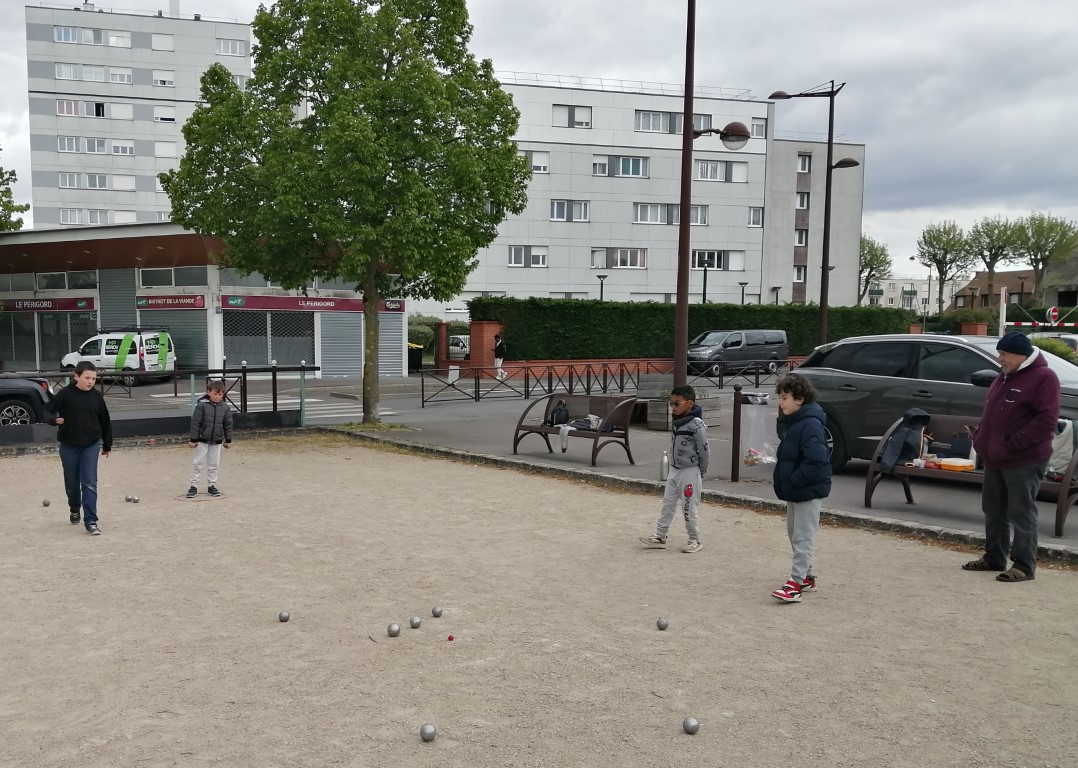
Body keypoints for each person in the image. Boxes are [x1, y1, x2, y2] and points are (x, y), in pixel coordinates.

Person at [963, 331, 1059, 582]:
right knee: (993, 509)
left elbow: (1046, 420)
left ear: (1021, 355)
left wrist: (1013, 444)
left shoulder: (1044, 377)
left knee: (1021, 511)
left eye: (1004, 353)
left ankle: (1024, 565)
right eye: (1000, 352)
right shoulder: (1004, 377)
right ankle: (994, 557)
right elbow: (992, 413)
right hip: (996, 456)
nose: (1000, 358)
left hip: (1024, 458)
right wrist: (981, 439)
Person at [770, 374, 832, 603]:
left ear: (800, 399)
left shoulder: (811, 425)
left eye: (784, 397)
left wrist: (795, 480)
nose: (780, 402)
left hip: (807, 489)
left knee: (803, 537)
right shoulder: (795, 421)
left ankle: (795, 584)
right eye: (780, 397)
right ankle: (807, 576)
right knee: (794, 533)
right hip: (795, 489)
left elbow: (816, 460)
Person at [640, 385, 709, 553]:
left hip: (690, 470)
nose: (674, 407)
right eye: (672, 403)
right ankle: (660, 535)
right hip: (675, 468)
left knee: (688, 507)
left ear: (690, 404)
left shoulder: (697, 425)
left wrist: (701, 471)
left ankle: (695, 539)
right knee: (668, 503)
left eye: (677, 403)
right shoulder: (677, 421)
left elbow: (704, 450)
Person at [45, 361, 112, 535]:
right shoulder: (65, 394)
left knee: (89, 483)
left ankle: (91, 521)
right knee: (72, 483)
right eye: (87, 378)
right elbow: (47, 411)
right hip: (69, 445)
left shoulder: (97, 397)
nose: (90, 381)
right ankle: (74, 507)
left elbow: (105, 421)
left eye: (94, 378)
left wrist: (107, 444)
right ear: (76, 376)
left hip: (91, 444)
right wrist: (54, 420)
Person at [186, 379, 234, 498]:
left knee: (214, 464)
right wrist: (194, 439)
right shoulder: (201, 406)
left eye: (220, 394)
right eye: (215, 394)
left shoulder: (225, 407)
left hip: (217, 440)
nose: (217, 397)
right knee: (198, 463)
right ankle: (194, 486)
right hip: (203, 439)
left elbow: (228, 424)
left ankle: (211, 485)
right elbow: (195, 423)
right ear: (209, 392)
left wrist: (228, 440)